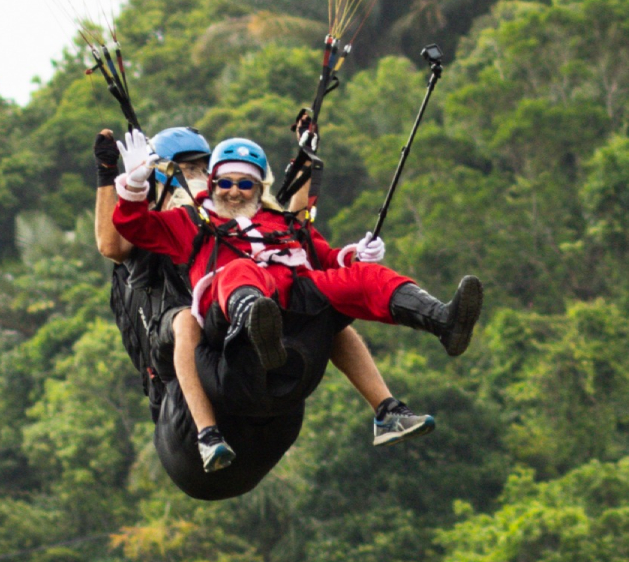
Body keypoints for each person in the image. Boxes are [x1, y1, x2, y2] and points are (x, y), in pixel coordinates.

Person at [95, 128, 435, 477]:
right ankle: (207, 432)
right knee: (186, 321)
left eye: (200, 170)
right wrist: (112, 174)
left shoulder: (226, 221)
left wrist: (308, 167)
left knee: (316, 304)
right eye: (185, 172)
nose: (195, 180)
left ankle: (387, 408)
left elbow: (292, 236)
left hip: (245, 366)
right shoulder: (160, 226)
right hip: (181, 405)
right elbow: (111, 244)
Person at [111, 130, 484, 391]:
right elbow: (133, 226)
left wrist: (355, 254)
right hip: (230, 302)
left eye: (246, 184)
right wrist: (135, 186)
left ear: (259, 188)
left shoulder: (281, 222)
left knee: (364, 277)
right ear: (213, 184)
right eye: (226, 183)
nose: (235, 192)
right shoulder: (190, 221)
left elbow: (324, 257)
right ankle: (259, 331)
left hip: (293, 290)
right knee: (240, 270)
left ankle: (444, 321)